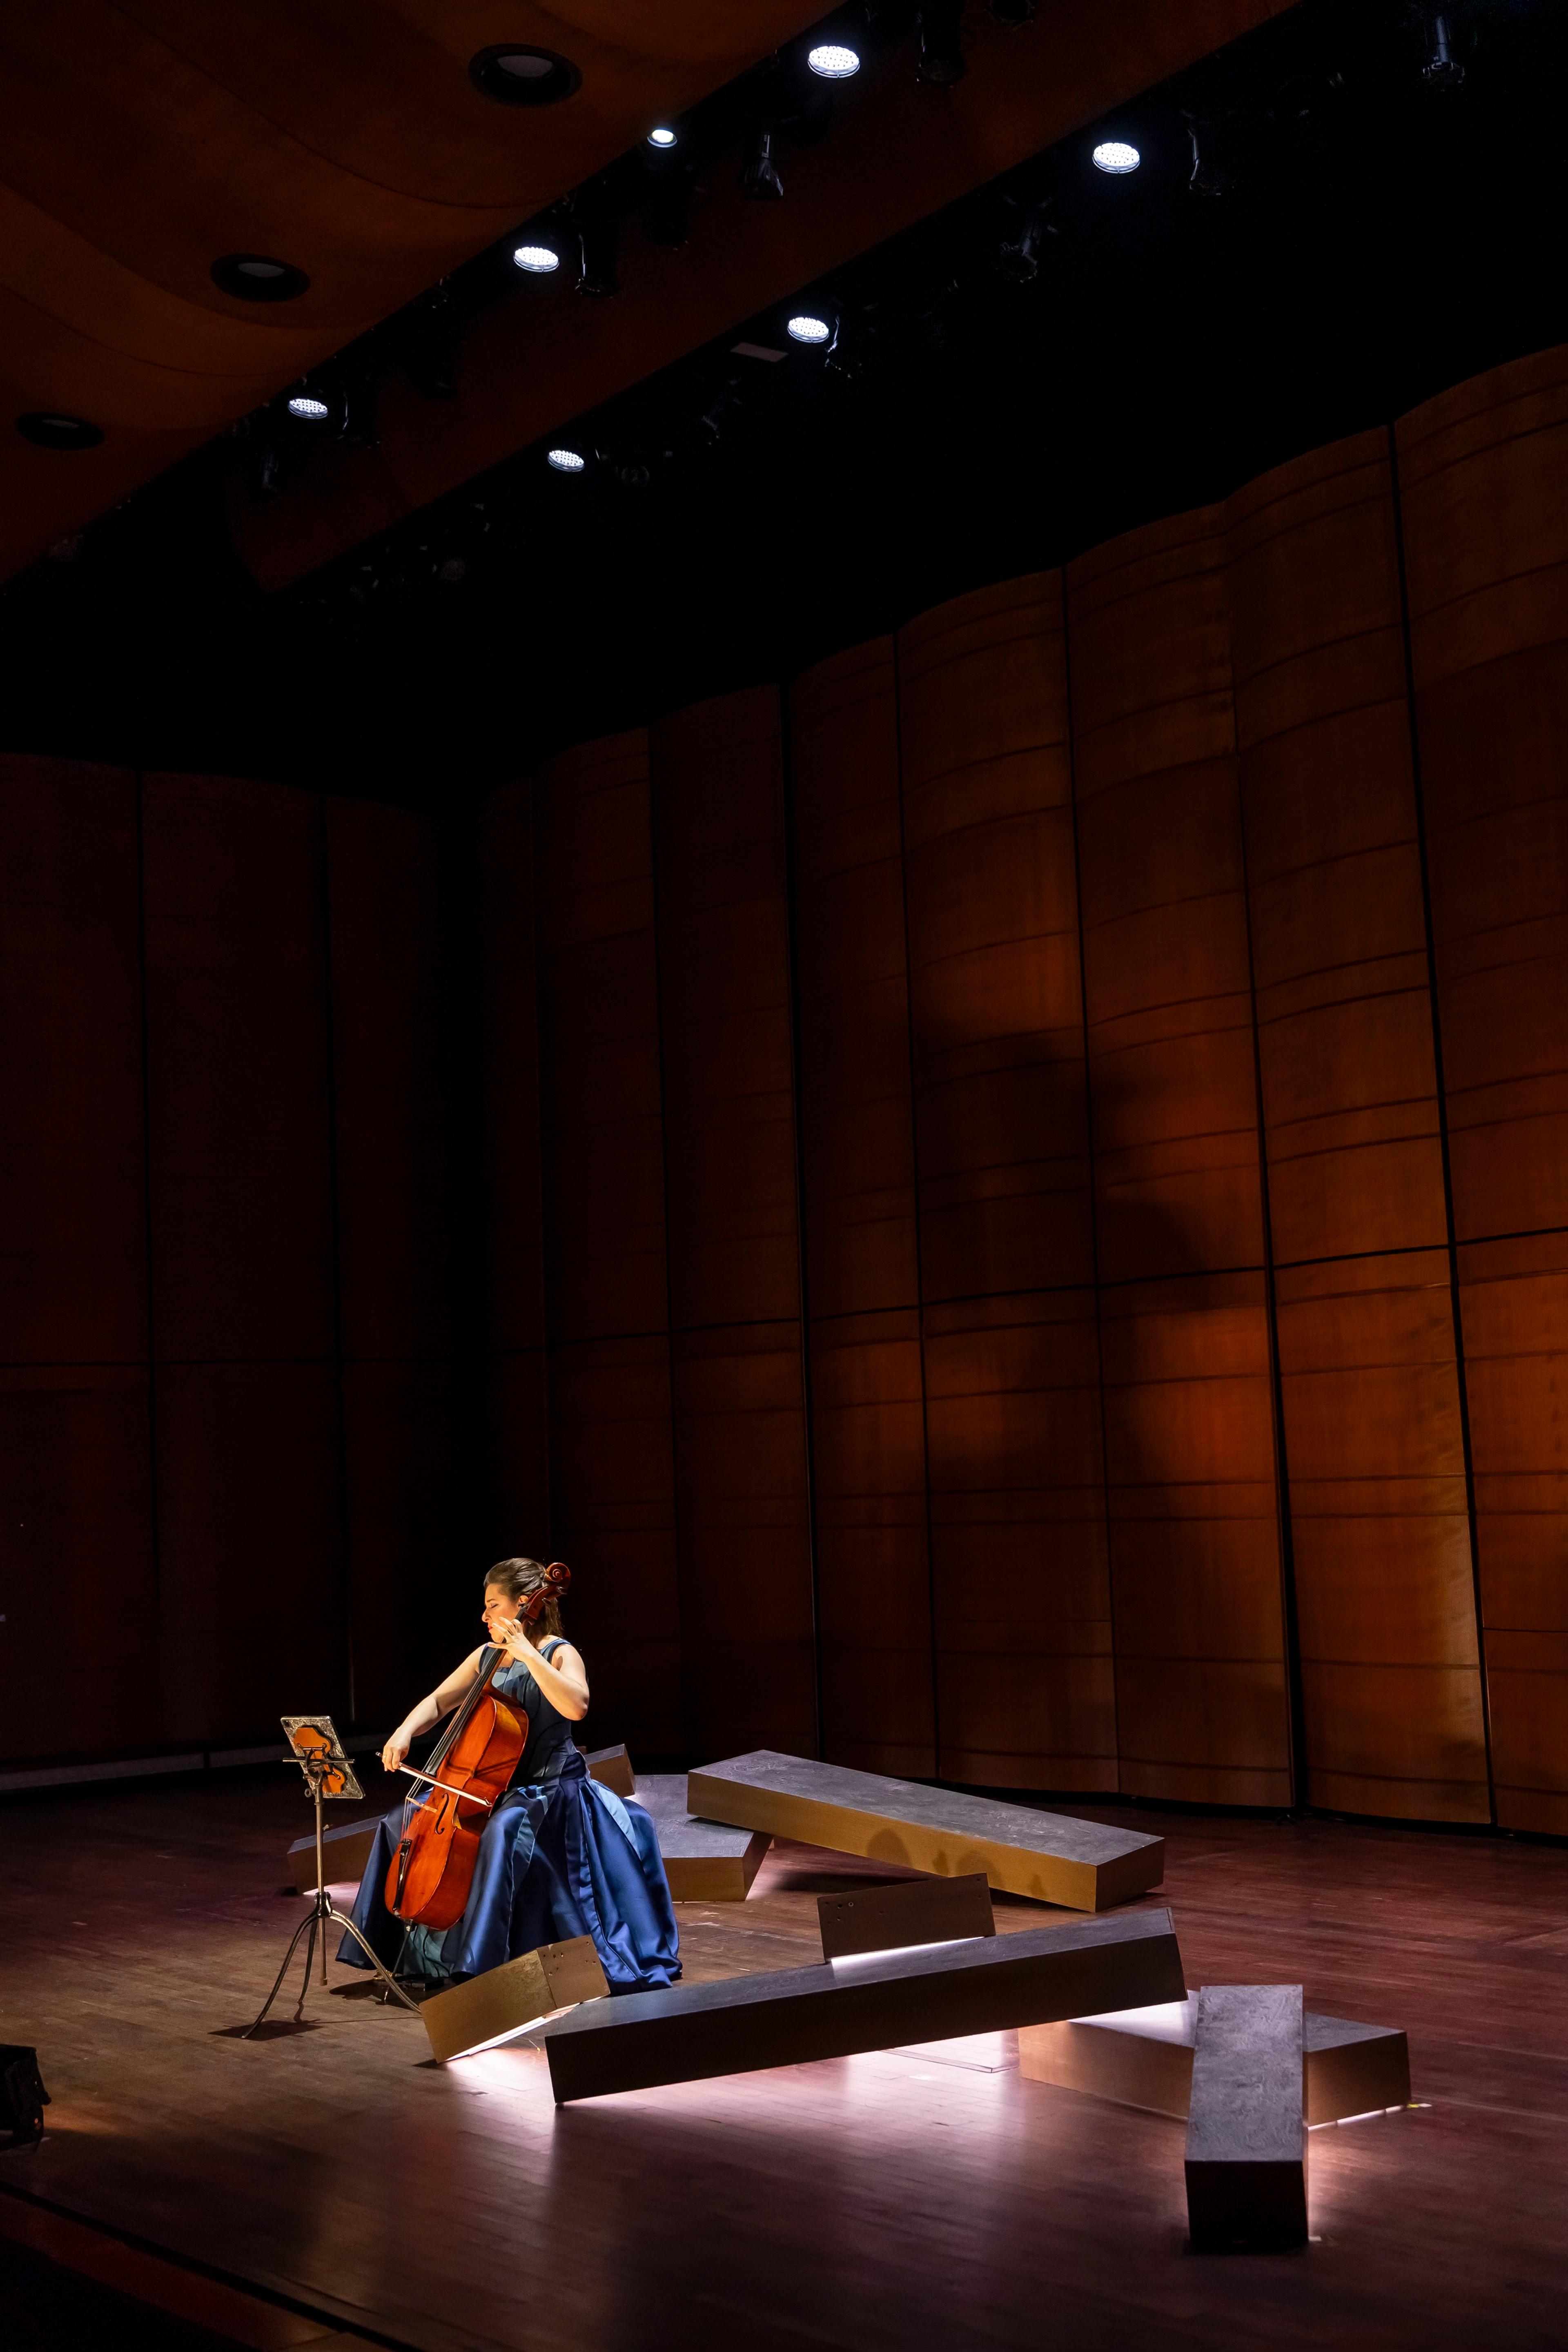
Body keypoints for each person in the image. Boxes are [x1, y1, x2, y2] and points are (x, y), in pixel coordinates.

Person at [337, 1557, 679, 1994]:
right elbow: (439, 1702)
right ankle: (387, 1950)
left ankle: (480, 1966)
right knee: (397, 1822)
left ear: (522, 1605)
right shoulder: (485, 1656)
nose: (484, 1616)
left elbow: (577, 1705)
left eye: (492, 1604)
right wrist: (404, 1731)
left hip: (550, 1789)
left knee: (501, 1834)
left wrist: (529, 1655)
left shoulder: (559, 1651)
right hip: (491, 1787)